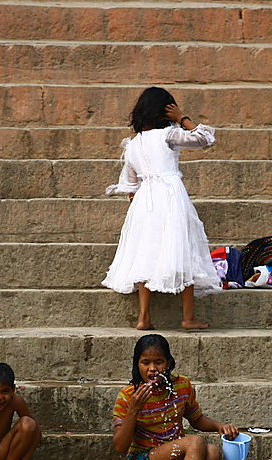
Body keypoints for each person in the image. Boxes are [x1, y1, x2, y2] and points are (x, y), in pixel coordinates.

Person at [103, 87, 222, 330]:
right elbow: (204, 139)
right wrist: (182, 118)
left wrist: (138, 209)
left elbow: (130, 183)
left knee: (146, 254)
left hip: (143, 201)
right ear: (164, 112)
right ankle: (188, 318)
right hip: (170, 197)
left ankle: (143, 317)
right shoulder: (169, 135)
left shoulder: (133, 145)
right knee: (182, 249)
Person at [113, 334, 239, 460]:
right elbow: (120, 446)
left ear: (169, 363)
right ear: (137, 364)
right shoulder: (127, 396)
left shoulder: (182, 386)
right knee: (195, 442)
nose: (152, 369)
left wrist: (220, 426)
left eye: (159, 362)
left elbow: (197, 420)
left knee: (213, 452)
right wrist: (134, 409)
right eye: (145, 362)